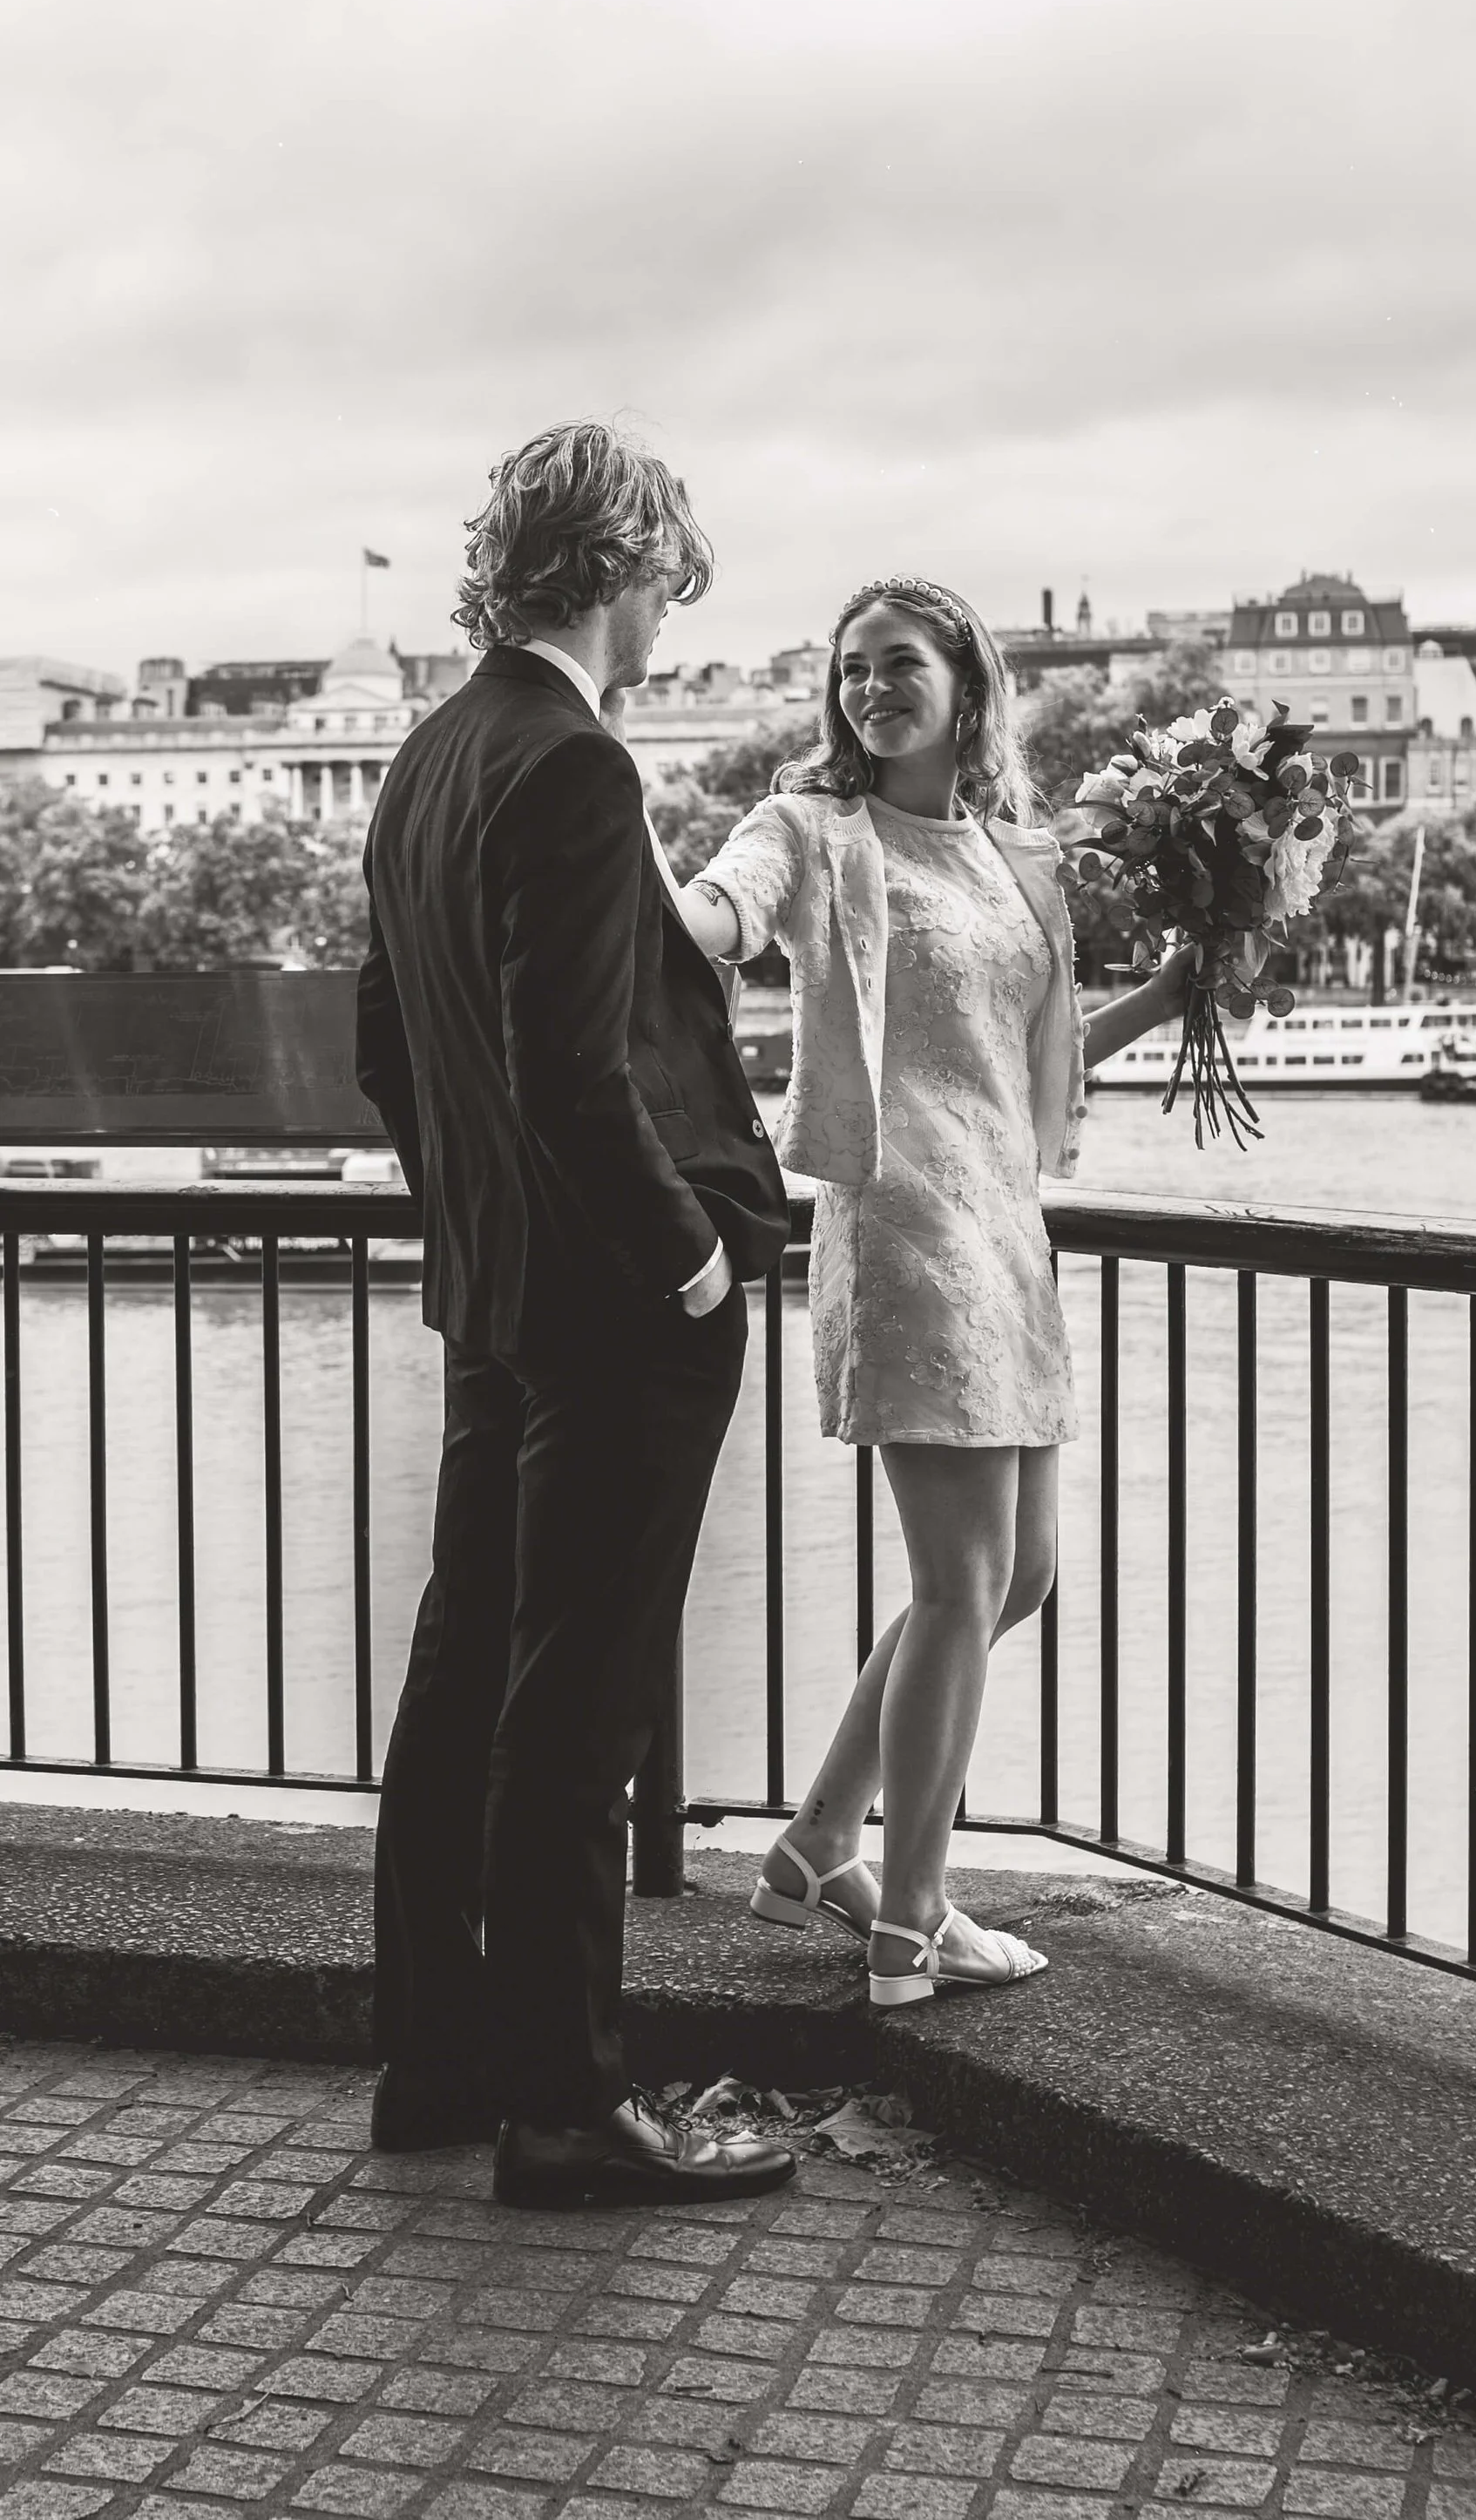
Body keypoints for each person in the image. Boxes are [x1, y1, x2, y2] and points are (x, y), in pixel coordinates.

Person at [356, 421, 797, 2206]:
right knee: (580, 1707)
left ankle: (438, 2063)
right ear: (624, 566)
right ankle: (567, 2103)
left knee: (466, 1678)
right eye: (667, 578)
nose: (671, 614)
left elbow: (388, 1048)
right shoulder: (574, 766)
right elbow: (573, 1069)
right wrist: (689, 1259)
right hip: (616, 1307)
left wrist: (478, 1232)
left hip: (497, 1298)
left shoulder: (429, 758)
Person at [669, 576, 1186, 2004]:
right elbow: (724, 908)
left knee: (1018, 1575)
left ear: (967, 682)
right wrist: (676, 908)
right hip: (899, 1222)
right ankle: (912, 1918)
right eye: (850, 668)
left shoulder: (1023, 858)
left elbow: (1045, 1065)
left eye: (899, 663)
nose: (869, 687)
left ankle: (817, 1842)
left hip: (1002, 1228)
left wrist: (1190, 985)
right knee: (961, 1581)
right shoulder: (810, 829)